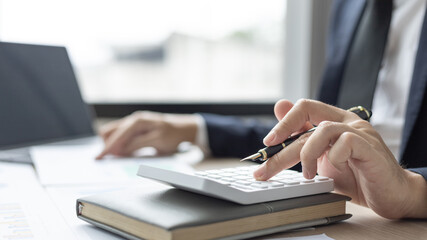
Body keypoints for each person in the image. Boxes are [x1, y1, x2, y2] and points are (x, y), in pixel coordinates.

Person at [97, 0, 427, 219]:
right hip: (348, 210)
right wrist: (196, 128)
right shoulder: (351, 6)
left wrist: (413, 189)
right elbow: (319, 133)